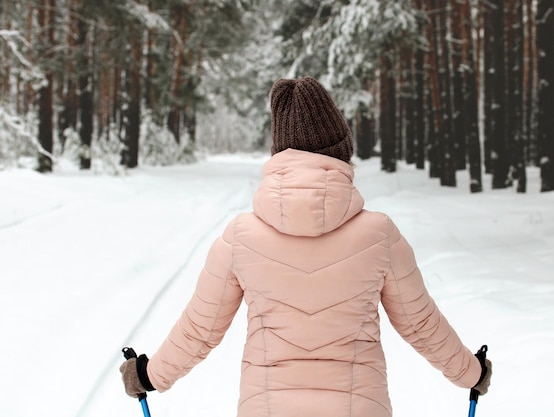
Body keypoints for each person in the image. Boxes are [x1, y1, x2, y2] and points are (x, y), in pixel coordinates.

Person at [120, 76, 492, 417]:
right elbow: (421, 325)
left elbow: (199, 331)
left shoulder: (240, 237)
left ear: (279, 154)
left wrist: (148, 376)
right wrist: (471, 373)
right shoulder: (380, 235)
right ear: (341, 152)